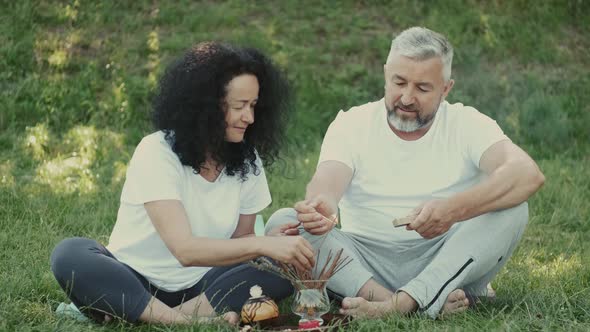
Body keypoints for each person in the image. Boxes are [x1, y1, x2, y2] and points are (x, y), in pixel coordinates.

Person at [265, 27, 545, 319]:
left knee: (513, 209)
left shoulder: (468, 123)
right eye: (399, 82)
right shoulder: (352, 123)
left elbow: (527, 174)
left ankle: (404, 303)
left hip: (446, 256)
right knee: (284, 223)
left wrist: (452, 210)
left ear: (446, 88)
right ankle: (412, 301)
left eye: (423, 88)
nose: (407, 98)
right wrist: (322, 206)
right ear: (386, 74)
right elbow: (327, 181)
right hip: (363, 262)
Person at [50, 41, 315, 325]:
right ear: (207, 107)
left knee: (282, 267)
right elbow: (185, 250)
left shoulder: (247, 159)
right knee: (70, 254)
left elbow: (241, 242)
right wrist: (263, 245)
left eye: (253, 106)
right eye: (239, 106)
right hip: (133, 280)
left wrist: (272, 243)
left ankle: (134, 313)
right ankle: (184, 322)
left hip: (203, 286)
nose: (249, 117)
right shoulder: (156, 150)